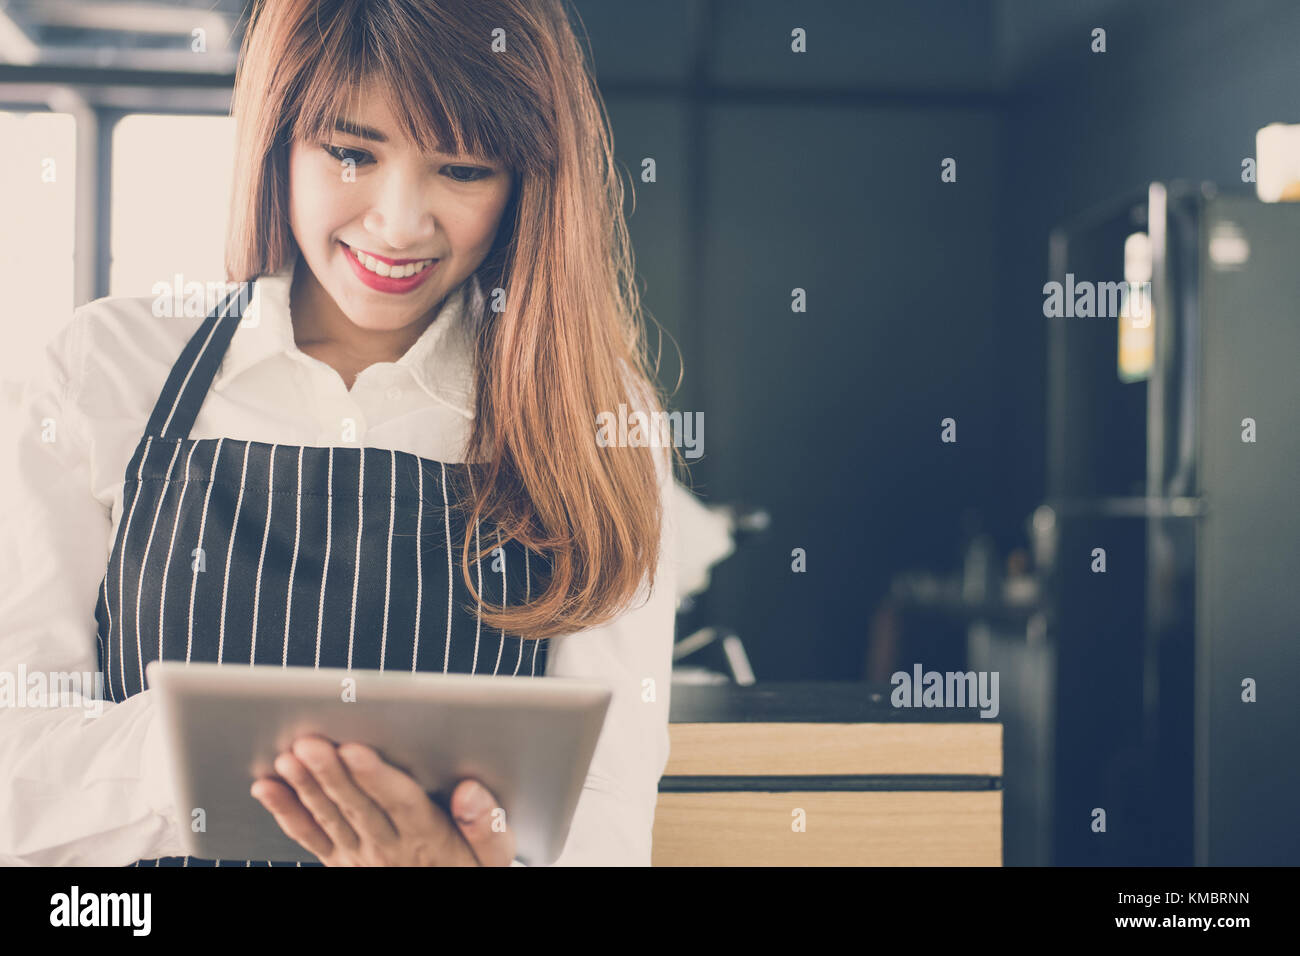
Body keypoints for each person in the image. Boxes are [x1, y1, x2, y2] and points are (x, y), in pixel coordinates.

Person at [0, 0, 680, 867]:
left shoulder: (596, 416)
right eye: (351, 152)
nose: (399, 224)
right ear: (277, 137)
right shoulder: (104, 369)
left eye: (463, 169)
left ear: (529, 183)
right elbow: (13, 771)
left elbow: (607, 825)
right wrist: (237, 760)